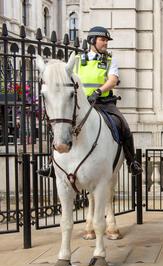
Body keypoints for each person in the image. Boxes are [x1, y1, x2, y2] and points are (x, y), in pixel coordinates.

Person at [38, 26, 142, 177]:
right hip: (80, 104)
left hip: (103, 103)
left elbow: (113, 80)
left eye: (106, 40)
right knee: (60, 126)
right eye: (103, 40)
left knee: (123, 125)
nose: (106, 43)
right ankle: (52, 164)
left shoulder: (110, 60)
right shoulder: (78, 60)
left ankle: (132, 162)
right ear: (92, 41)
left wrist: (98, 91)